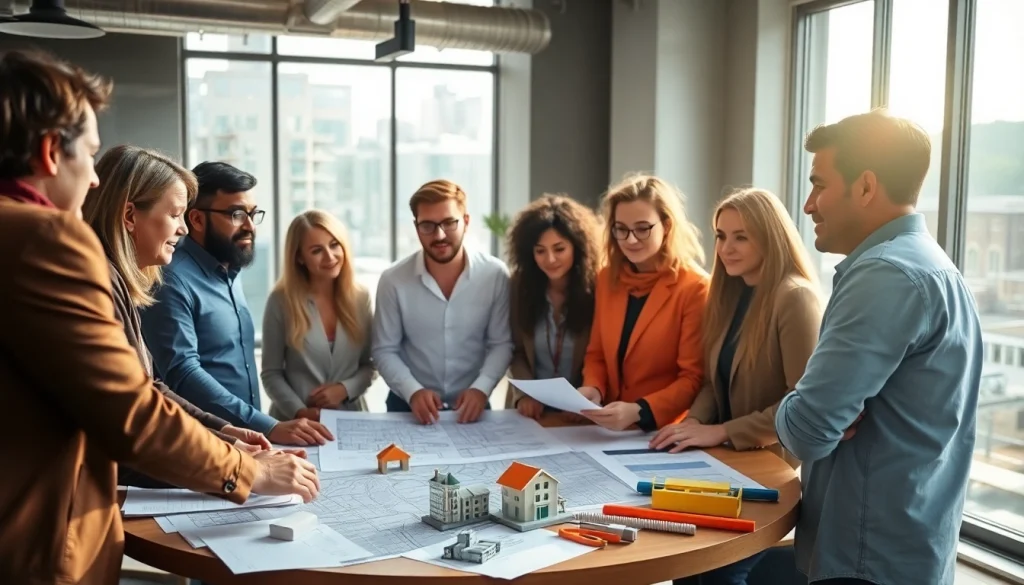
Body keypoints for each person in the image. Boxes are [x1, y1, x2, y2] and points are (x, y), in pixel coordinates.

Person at [0, 49, 319, 585]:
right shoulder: (47, 239)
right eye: (90, 156)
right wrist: (252, 471)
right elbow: (132, 414)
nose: (95, 181)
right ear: (53, 151)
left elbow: (141, 387)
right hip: (35, 544)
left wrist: (223, 436)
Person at [774, 109, 983, 585]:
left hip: (866, 561)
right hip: (906, 549)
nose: (808, 206)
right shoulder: (934, 267)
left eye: (819, 185)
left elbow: (807, 431)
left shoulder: (885, 275)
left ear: (865, 186)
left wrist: (793, 403)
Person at [83, 145, 288, 488]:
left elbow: (150, 388)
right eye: (175, 214)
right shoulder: (99, 281)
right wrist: (242, 467)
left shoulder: (120, 279)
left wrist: (224, 432)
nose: (181, 229)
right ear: (130, 216)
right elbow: (136, 413)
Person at [649, 188, 823, 585]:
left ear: (771, 236)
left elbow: (802, 403)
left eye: (741, 236)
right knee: (685, 561)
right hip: (726, 462)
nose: (727, 247)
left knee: (715, 573)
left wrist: (722, 430)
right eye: (721, 236)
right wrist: (692, 423)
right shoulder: (730, 293)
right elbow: (714, 380)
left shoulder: (795, 297)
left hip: (773, 469)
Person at [140, 161, 334, 446]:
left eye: (253, 215)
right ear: (195, 220)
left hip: (246, 442)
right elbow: (182, 373)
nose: (249, 227)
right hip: (204, 445)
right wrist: (268, 426)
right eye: (237, 214)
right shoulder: (172, 280)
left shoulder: (230, 271)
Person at [373, 179, 513, 424]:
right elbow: (384, 349)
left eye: (449, 223)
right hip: (407, 406)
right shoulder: (392, 281)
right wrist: (412, 390)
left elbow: (500, 343)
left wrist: (482, 388)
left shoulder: (495, 275)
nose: (439, 235)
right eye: (427, 225)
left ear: (466, 222)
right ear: (416, 227)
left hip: (474, 404)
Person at [577, 174, 709, 431]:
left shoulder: (695, 287)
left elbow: (693, 378)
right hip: (607, 428)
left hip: (663, 431)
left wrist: (640, 410)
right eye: (621, 229)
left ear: (667, 226)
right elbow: (597, 354)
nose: (630, 240)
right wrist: (593, 387)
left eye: (642, 228)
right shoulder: (606, 278)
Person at [262, 210, 376, 420]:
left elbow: (370, 364)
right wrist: (301, 412)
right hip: (295, 423)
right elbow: (271, 374)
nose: (330, 257)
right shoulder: (280, 300)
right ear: (299, 257)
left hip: (351, 418)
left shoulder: (361, 297)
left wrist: (344, 389)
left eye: (334, 245)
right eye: (316, 250)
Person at [505, 194, 603, 419]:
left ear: (578, 248)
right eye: (540, 251)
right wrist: (524, 394)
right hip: (530, 413)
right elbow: (515, 351)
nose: (550, 259)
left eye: (559, 249)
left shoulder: (598, 288)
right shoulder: (518, 286)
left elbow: (600, 356)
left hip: (581, 413)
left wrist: (584, 398)